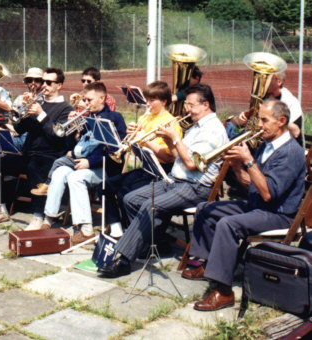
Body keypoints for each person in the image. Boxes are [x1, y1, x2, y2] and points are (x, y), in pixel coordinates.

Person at [183, 100, 305, 311]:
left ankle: (223, 291)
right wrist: (237, 166)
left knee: (228, 224)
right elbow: (252, 185)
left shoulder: (290, 153)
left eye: (265, 120)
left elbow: (268, 194)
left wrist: (249, 161)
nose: (259, 125)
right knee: (206, 209)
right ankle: (207, 263)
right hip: (258, 204)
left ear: (282, 121)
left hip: (278, 213)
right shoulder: (268, 144)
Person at [98, 84, 229, 278]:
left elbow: (192, 165)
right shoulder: (197, 126)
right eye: (187, 105)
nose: (187, 109)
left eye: (191, 105)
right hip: (176, 179)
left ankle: (124, 258)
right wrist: (168, 140)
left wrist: (174, 137)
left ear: (205, 105)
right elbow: (178, 156)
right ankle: (154, 242)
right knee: (131, 199)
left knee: (150, 206)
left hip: (195, 186)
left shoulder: (212, 129)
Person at [29, 82, 126, 244]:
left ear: (102, 98)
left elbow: (114, 149)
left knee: (76, 178)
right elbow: (71, 147)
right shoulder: (87, 118)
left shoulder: (114, 118)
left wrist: (90, 161)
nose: (86, 104)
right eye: (85, 100)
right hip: (82, 163)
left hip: (103, 168)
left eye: (89, 100)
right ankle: (48, 219)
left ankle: (85, 228)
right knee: (59, 173)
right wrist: (74, 132)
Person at [0, 67, 72, 228]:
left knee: (34, 165)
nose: (44, 85)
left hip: (50, 156)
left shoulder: (66, 108)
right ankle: (1, 208)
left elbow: (57, 137)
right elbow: (19, 129)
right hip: (28, 152)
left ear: (59, 85)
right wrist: (25, 110)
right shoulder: (39, 103)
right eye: (43, 81)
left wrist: (40, 114)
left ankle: (38, 216)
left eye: (48, 82)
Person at [103, 81, 183, 238]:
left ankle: (134, 233)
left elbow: (168, 157)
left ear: (164, 101)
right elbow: (134, 145)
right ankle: (117, 228)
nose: (147, 104)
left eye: (152, 100)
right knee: (106, 186)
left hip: (161, 172)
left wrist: (146, 141)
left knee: (124, 193)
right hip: (145, 168)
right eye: (147, 100)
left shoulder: (171, 123)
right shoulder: (146, 118)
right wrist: (130, 134)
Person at [228, 72, 303, 144]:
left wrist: (274, 116)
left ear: (279, 82)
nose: (263, 80)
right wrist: (244, 118)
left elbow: (295, 132)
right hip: (261, 141)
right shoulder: (261, 96)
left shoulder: (291, 101)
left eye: (268, 77)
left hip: (282, 147)